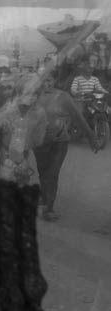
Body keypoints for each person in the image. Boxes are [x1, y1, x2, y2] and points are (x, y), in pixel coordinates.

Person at [34, 72, 98, 221]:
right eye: (43, 81)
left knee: (52, 173)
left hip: (59, 142)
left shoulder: (63, 97)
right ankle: (44, 196)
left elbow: (78, 117)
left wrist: (91, 138)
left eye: (49, 80)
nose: (46, 84)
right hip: (39, 142)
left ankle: (49, 208)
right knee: (43, 172)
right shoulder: (34, 97)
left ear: (55, 80)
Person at [0, 75, 48, 186]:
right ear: (18, 93)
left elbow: (39, 140)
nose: (31, 97)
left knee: (23, 191)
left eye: (35, 94)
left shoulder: (40, 113)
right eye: (27, 93)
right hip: (6, 156)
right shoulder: (7, 110)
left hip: (26, 158)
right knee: (5, 189)